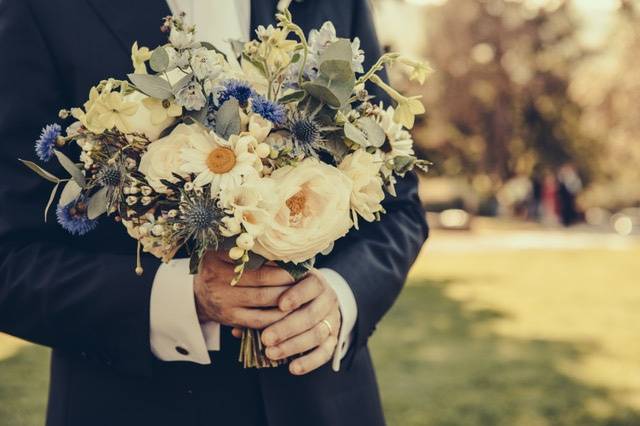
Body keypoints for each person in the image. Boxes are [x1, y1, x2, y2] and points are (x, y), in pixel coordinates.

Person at [0, 1, 428, 425]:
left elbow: (399, 207)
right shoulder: (39, 8)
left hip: (323, 402)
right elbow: (10, 259)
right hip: (133, 403)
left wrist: (342, 295)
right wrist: (181, 299)